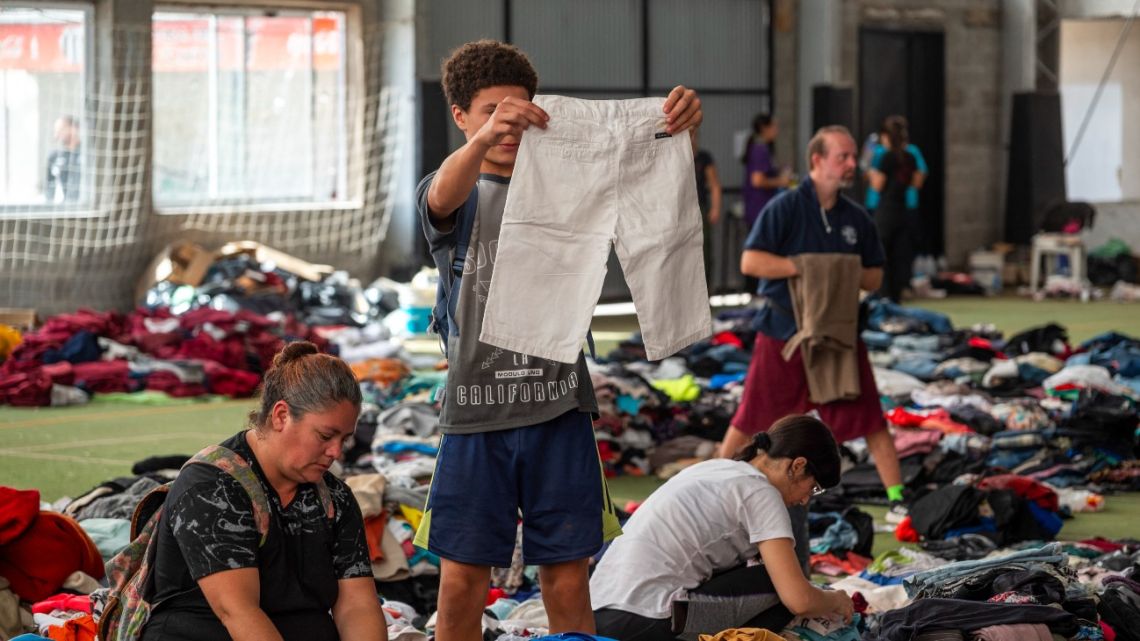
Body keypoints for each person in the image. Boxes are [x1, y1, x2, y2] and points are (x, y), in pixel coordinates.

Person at [414, 40, 704, 641]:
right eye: (492, 112)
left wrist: (676, 132)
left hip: (559, 409)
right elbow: (440, 197)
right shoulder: (455, 189)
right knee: (462, 580)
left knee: (568, 578)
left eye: (521, 110)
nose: (510, 125)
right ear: (462, 117)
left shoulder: (571, 186)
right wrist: (482, 141)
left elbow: (645, 182)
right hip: (475, 416)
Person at [718, 126, 908, 521]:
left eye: (854, 157)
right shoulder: (784, 208)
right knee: (751, 419)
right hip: (786, 333)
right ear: (817, 160)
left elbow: (873, 276)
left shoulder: (856, 218)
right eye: (844, 156)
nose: (853, 164)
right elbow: (750, 262)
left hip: (838, 336)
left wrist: (840, 273)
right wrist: (807, 268)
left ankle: (896, 500)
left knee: (871, 418)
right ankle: (713, 486)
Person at [141, 341, 386, 641]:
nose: (336, 451)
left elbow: (358, 605)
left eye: (345, 439)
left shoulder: (335, 499)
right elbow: (238, 612)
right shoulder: (212, 486)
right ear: (281, 416)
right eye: (325, 435)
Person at [592, 415, 854, 641]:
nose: (806, 499)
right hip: (646, 619)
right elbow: (799, 599)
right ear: (797, 466)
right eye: (814, 487)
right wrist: (836, 599)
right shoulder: (761, 493)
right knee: (778, 587)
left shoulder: (715, 468)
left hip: (597, 614)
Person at [866, 115, 925, 302]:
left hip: (886, 212)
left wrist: (870, 172)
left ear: (886, 136)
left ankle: (884, 297)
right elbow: (916, 182)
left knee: (883, 256)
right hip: (904, 211)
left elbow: (877, 185)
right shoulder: (910, 156)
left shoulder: (884, 156)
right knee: (901, 255)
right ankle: (897, 295)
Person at [740, 114, 791, 295]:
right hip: (758, 207)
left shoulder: (762, 148)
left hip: (758, 207)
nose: (777, 130)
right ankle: (756, 290)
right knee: (759, 248)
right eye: (774, 126)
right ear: (765, 128)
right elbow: (758, 180)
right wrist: (781, 182)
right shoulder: (760, 149)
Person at [694, 138, 723, 288]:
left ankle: (705, 294)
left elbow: (714, 185)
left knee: (704, 253)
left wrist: (715, 208)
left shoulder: (703, 158)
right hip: (676, 211)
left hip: (699, 208)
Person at [45, 115, 82, 203]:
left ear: (74, 128)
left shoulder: (87, 154)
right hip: (64, 209)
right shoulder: (54, 157)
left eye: (60, 130)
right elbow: (49, 187)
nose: (56, 134)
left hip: (84, 209)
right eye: (56, 131)